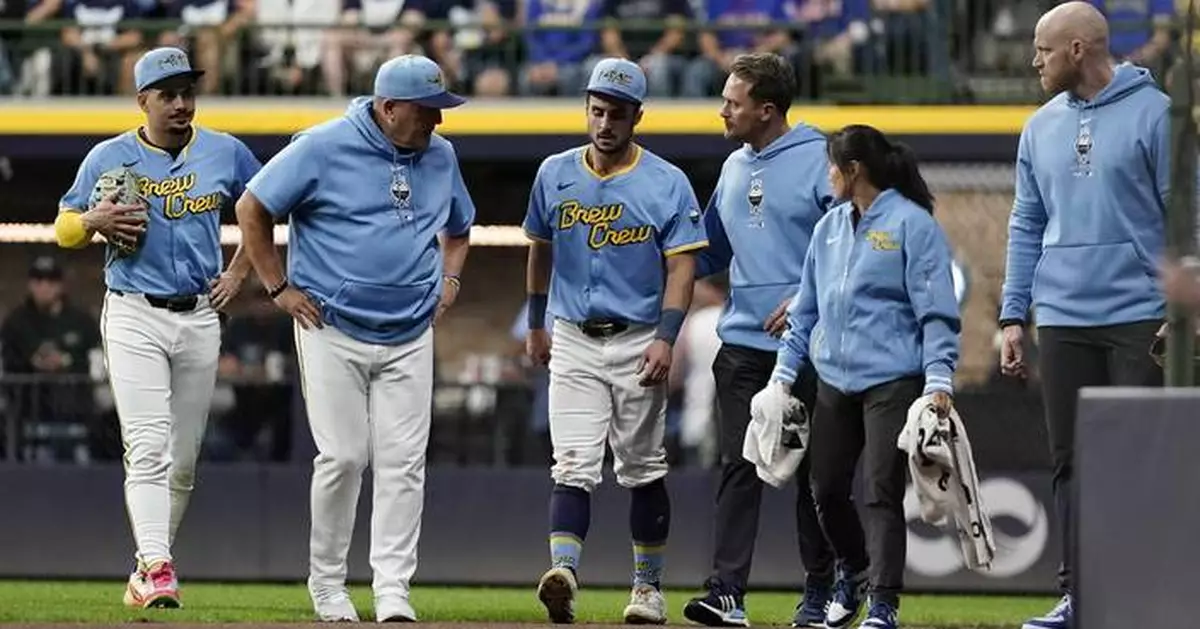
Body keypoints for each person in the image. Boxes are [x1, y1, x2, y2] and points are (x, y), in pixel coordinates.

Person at [233, 54, 475, 623]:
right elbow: (252, 206)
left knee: (403, 463)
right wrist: (276, 288)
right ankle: (328, 583)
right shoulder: (322, 145)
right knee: (343, 456)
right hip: (331, 324)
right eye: (426, 112)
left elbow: (459, 229)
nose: (436, 123)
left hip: (412, 329)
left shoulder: (440, 155)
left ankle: (393, 589)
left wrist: (452, 278)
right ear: (389, 108)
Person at [52, 46, 261, 609]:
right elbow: (64, 230)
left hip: (198, 315)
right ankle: (161, 567)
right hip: (133, 311)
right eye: (167, 95)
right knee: (147, 449)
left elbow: (267, 208)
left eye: (188, 92)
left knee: (183, 459)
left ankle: (145, 566)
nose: (181, 104)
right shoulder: (108, 156)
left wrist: (241, 268)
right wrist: (92, 220)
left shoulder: (225, 151)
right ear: (142, 100)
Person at [998, 4, 1169, 628]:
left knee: (1144, 460)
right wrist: (1013, 313)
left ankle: (1149, 595)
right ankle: (1080, 595)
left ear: (1076, 49)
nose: (1033, 61)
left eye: (1042, 49)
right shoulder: (1038, 127)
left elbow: (1190, 213)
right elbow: (1026, 223)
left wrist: (1186, 307)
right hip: (1063, 317)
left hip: (1142, 318)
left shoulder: (1158, 115)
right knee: (1071, 460)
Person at [523, 57, 708, 625]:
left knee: (641, 465)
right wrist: (535, 323)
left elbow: (682, 269)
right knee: (572, 462)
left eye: (617, 114)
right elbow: (540, 248)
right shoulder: (554, 172)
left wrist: (668, 337)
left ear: (637, 117)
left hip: (637, 337)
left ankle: (648, 589)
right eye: (597, 110)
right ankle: (564, 573)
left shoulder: (667, 182)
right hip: (575, 335)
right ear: (586, 108)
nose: (604, 123)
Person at [767, 124, 960, 629]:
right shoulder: (827, 229)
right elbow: (804, 309)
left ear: (854, 172)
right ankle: (853, 571)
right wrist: (783, 376)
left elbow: (936, 311)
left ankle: (883, 603)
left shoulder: (912, 225)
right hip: (833, 378)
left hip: (893, 380)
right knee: (825, 487)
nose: (827, 174)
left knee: (879, 489)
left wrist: (938, 379)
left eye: (833, 165)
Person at [681, 52, 837, 629]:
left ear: (766, 110)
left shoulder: (822, 159)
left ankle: (819, 593)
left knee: (815, 477)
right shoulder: (731, 168)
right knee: (738, 466)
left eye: (732, 101)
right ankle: (727, 593)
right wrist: (657, 263)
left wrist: (804, 297)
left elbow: (850, 243)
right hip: (744, 345)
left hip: (813, 348)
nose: (722, 109)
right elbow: (712, 253)